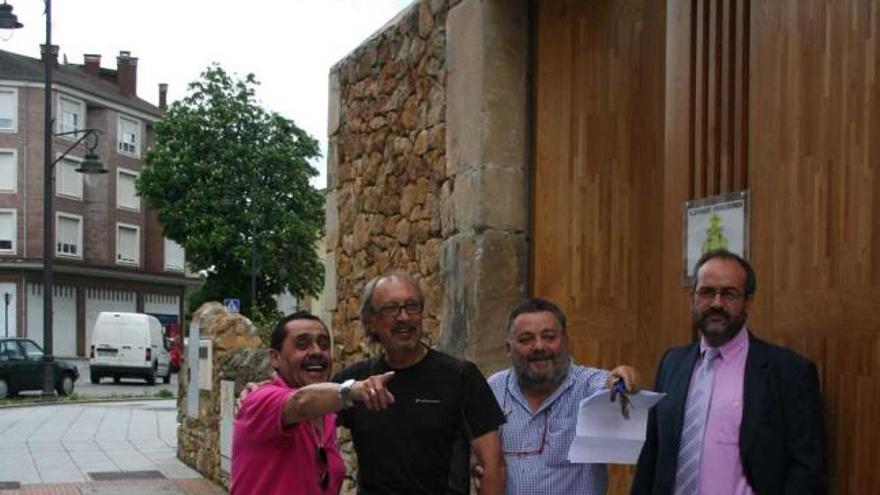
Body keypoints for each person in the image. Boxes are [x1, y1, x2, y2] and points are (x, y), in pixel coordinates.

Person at [631, 250, 826, 494]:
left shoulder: (789, 372)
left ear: (749, 301)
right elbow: (652, 453)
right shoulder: (672, 363)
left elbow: (807, 468)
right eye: (707, 292)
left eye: (729, 294)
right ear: (692, 299)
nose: (717, 303)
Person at [333, 272, 507, 495]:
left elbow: (493, 464)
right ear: (370, 320)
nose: (404, 317)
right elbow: (308, 428)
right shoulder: (355, 382)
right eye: (391, 309)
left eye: (412, 306)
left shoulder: (460, 377)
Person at [485, 297, 640, 495]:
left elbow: (612, 383)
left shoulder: (586, 385)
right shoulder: (494, 389)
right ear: (508, 349)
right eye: (526, 339)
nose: (539, 346)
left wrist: (621, 379)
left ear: (565, 342)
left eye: (549, 337)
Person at [231, 311, 395, 495]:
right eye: (302, 344)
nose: (317, 351)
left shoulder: (326, 414)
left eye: (324, 344)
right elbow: (301, 402)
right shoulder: (260, 400)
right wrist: (355, 390)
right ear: (275, 357)